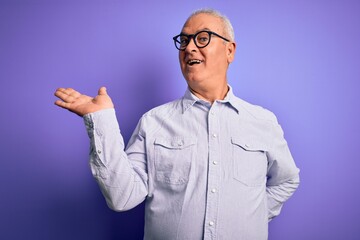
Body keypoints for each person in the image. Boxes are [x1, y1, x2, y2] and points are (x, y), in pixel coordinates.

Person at [54, 9, 300, 240]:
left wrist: (252, 215)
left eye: (202, 38)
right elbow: (122, 197)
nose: (190, 47)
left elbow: (287, 180)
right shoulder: (153, 122)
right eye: (184, 41)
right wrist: (101, 120)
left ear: (230, 51)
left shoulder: (263, 122)